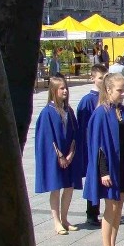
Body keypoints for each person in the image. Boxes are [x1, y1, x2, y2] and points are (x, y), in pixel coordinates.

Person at [84, 73, 124, 246]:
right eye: (119, 90)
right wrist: (104, 171)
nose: (123, 93)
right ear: (108, 90)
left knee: (119, 206)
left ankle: (113, 244)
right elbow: (97, 145)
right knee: (111, 206)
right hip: (110, 168)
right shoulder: (101, 113)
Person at [34, 75, 81, 235]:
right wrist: (60, 156)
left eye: (66, 88)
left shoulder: (69, 110)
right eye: (62, 88)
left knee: (69, 187)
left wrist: (71, 154)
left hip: (69, 155)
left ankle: (65, 218)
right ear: (54, 91)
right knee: (56, 188)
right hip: (56, 157)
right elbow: (48, 136)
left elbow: (75, 133)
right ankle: (56, 221)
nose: (65, 91)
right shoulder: (48, 112)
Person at [75, 63, 108, 227]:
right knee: (93, 178)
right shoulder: (87, 101)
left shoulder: (107, 98)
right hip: (91, 146)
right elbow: (83, 127)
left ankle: (107, 212)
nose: (103, 81)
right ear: (93, 78)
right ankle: (91, 213)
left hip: (104, 146)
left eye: (105, 77)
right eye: (100, 78)